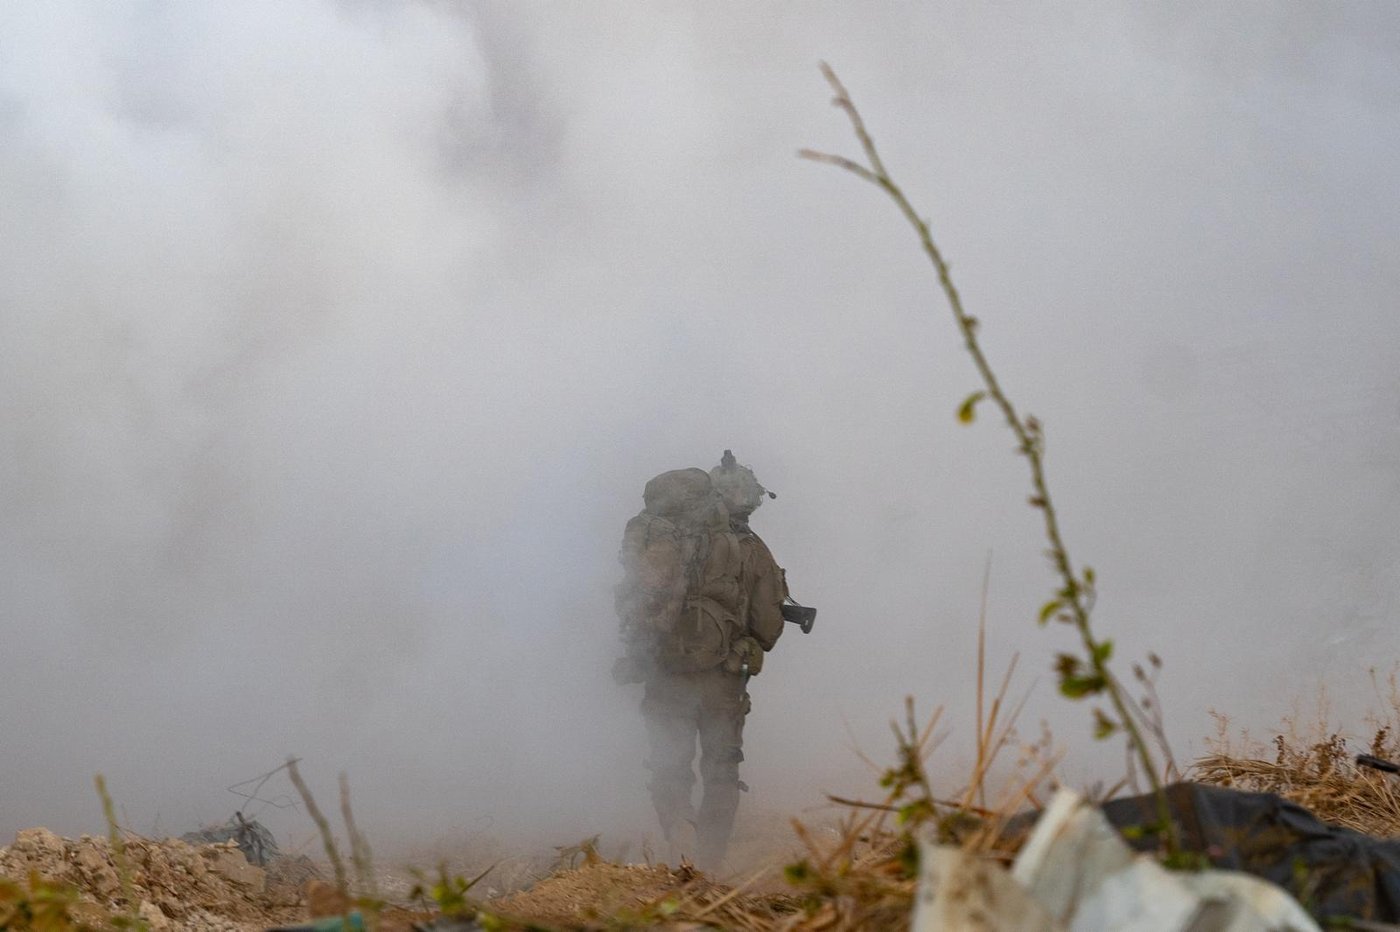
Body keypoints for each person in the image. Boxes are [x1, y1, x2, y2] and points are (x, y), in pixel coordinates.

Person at [613, 454, 789, 869]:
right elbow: (767, 624)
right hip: (723, 679)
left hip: (665, 672)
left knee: (669, 765)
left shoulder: (662, 538)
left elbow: (638, 603)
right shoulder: (748, 547)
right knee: (722, 769)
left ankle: (679, 833)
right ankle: (710, 863)